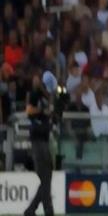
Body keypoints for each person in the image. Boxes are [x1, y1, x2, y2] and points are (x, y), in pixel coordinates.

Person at [24, 73, 53, 216]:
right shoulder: (35, 95)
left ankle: (33, 209)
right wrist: (41, 110)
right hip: (37, 139)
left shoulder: (47, 97)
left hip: (45, 139)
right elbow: (28, 111)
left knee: (47, 176)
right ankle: (46, 210)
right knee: (45, 176)